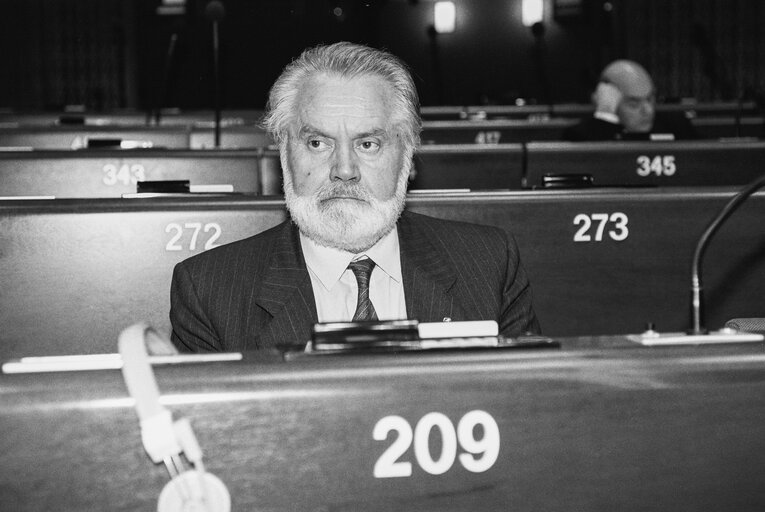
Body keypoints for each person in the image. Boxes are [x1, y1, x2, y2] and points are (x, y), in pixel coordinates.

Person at [170, 42, 539, 352]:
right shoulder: (209, 291)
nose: (344, 169)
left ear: (407, 155)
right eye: (317, 143)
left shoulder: (490, 264)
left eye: (368, 143)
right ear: (284, 154)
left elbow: (530, 418)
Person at [563, 59, 697, 141]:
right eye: (634, 104)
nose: (648, 111)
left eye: (650, 99)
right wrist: (606, 115)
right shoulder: (581, 135)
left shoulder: (677, 126)